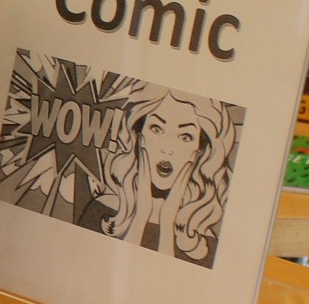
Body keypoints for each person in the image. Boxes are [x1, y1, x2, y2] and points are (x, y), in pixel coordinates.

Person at [100, 88, 237, 268]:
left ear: (200, 151)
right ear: (139, 135)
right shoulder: (103, 209)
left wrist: (167, 224)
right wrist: (140, 216)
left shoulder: (203, 243)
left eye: (185, 136)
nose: (167, 149)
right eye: (156, 129)